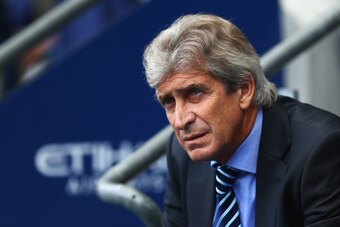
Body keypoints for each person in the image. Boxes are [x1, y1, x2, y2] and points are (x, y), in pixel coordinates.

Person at [142, 13, 340, 227]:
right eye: (169, 101)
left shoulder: (321, 151)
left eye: (195, 93)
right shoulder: (182, 153)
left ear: (245, 89)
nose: (181, 121)